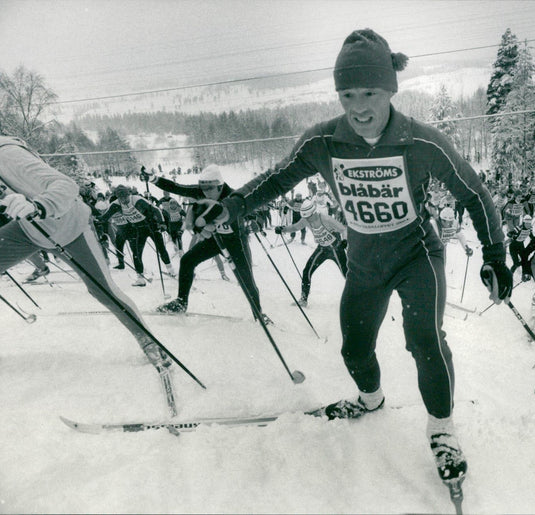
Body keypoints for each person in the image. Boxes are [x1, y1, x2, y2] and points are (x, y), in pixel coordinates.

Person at [193, 29, 511, 485]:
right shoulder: (323, 142)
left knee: (425, 340)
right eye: (347, 94)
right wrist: (234, 204)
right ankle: (371, 400)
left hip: (417, 255)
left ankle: (441, 429)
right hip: (364, 261)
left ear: (390, 91)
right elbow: (277, 178)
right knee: (354, 347)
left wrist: (496, 255)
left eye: (370, 93)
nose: (358, 107)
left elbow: (475, 193)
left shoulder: (422, 142)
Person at [0, 135, 171, 370]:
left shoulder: (6, 155)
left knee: (102, 290)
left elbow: (66, 185)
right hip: (28, 230)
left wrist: (39, 206)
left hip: (70, 227)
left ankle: (149, 341)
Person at [142, 165, 270, 323]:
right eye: (202, 188)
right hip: (214, 239)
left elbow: (253, 208)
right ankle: (181, 302)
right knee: (187, 260)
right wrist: (153, 179)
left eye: (209, 188)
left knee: (246, 279)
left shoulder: (232, 196)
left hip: (235, 242)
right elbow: (177, 187)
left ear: (219, 186)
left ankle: (259, 314)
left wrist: (256, 221)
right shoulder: (202, 190)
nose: (204, 192)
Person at [274, 199, 348, 306]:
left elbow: (342, 229)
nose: (308, 219)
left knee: (346, 274)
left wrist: (344, 240)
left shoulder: (325, 218)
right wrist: (283, 229)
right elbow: (295, 227)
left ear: (314, 212)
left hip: (336, 248)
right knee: (307, 271)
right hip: (322, 249)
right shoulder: (305, 219)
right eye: (305, 217)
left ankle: (361, 296)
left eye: (309, 216)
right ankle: (303, 299)